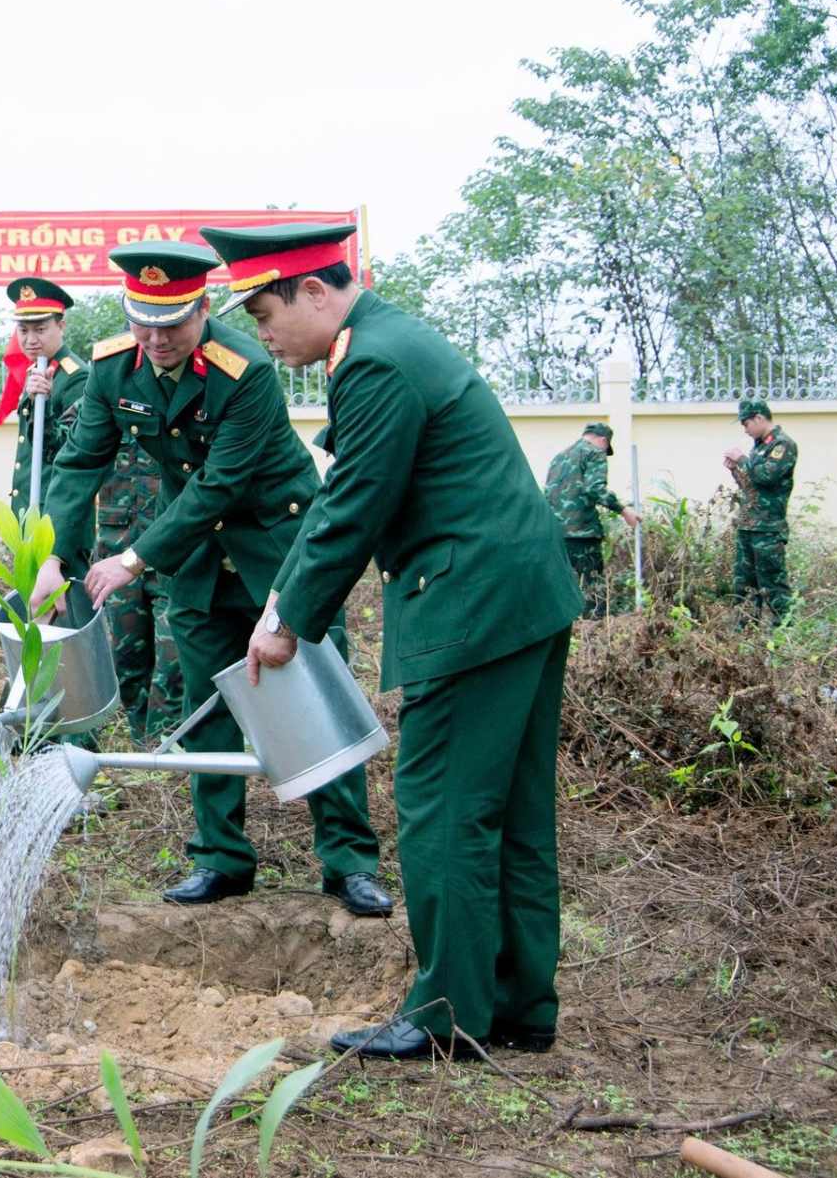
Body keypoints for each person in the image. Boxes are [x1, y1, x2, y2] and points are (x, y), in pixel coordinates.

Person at [217, 221, 584, 1060]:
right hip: (521, 595)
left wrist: (287, 625)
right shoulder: (388, 340)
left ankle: (446, 1014)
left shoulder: (374, 361)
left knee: (443, 809)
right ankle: (522, 1002)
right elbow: (347, 486)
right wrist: (282, 593)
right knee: (514, 812)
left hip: (473, 606)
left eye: (266, 313)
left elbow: (357, 506)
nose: (262, 334)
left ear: (314, 291)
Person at [32, 241, 388, 918]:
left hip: (274, 546)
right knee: (207, 709)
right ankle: (221, 858)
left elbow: (220, 486)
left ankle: (348, 862)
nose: (158, 338)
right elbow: (79, 465)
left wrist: (133, 558)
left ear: (202, 309)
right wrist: (58, 557)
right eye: (144, 321)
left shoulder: (245, 369)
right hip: (197, 558)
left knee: (310, 694)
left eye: (174, 322)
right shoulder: (113, 369)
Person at [96, 439, 185, 741]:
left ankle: (166, 756)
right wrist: (33, 406)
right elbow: (59, 449)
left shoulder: (177, 403)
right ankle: (144, 751)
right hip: (116, 556)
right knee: (126, 665)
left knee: (173, 666)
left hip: (171, 556)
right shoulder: (104, 402)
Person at [2, 276, 89, 511]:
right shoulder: (37, 371)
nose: (30, 340)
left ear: (61, 327)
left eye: (40, 329)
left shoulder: (76, 376)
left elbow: (71, 450)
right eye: (23, 330)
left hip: (55, 508)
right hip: (28, 503)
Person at [543, 422, 640, 618]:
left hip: (555, 534)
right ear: (603, 440)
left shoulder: (559, 457)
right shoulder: (595, 452)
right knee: (592, 591)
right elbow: (594, 489)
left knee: (564, 590)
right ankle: (594, 638)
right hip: (582, 534)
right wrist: (624, 511)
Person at [724, 398, 797, 625]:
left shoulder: (783, 445)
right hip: (748, 526)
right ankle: (744, 639)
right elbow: (751, 487)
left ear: (759, 418)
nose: (745, 430)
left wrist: (743, 460)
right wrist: (735, 470)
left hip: (767, 530)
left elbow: (767, 475)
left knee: (774, 587)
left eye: (746, 424)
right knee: (744, 586)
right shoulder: (760, 446)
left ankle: (785, 637)